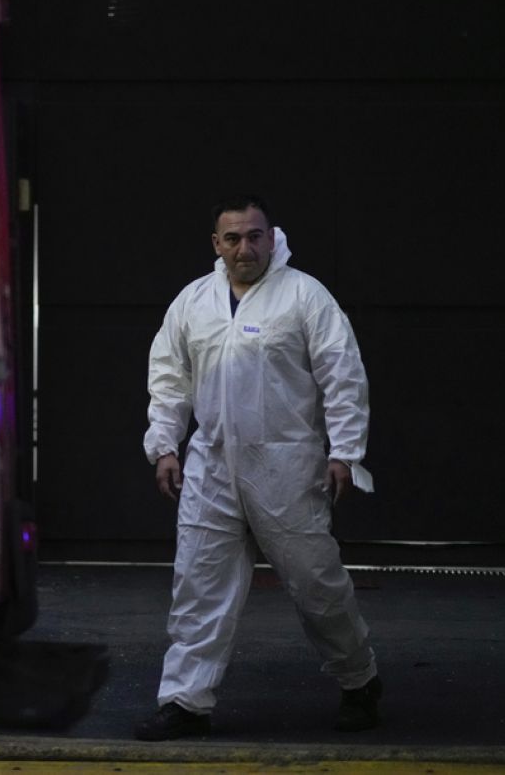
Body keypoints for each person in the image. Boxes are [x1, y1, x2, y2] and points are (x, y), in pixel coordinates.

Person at [135, 196, 382, 741]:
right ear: (215, 245)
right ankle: (185, 701)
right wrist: (166, 445)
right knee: (199, 585)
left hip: (288, 466)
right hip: (212, 466)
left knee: (316, 584)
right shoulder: (194, 302)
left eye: (254, 236)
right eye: (232, 238)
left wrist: (344, 452)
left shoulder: (303, 296)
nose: (244, 248)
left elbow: (343, 375)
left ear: (272, 238)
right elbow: (169, 377)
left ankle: (359, 681)